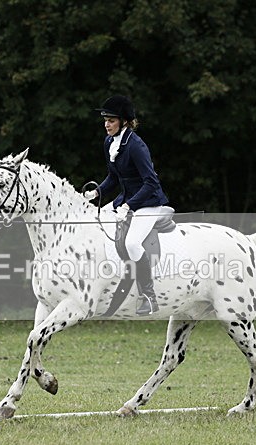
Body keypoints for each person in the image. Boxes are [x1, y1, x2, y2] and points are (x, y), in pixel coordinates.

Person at [85, 95, 169, 315]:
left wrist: (129, 206)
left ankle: (149, 296)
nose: (106, 124)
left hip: (148, 202)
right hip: (126, 200)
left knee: (132, 243)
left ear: (123, 122)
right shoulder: (110, 143)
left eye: (111, 120)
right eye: (105, 120)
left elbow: (151, 183)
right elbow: (113, 177)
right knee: (94, 220)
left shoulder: (136, 146)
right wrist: (97, 192)